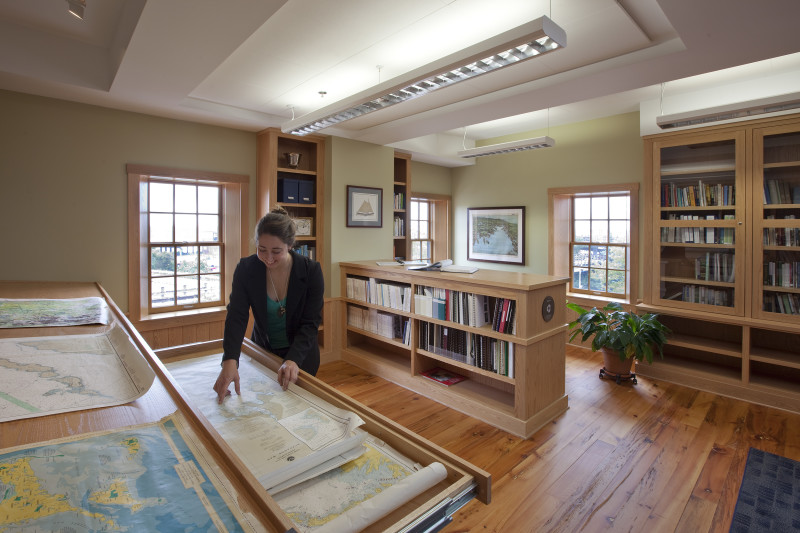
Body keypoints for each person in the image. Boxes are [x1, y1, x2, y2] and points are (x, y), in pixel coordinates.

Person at [213, 207, 323, 402]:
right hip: (264, 352)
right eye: (261, 250)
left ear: (289, 245)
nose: (269, 258)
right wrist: (230, 359)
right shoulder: (246, 269)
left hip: (301, 356)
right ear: (256, 243)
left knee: (297, 408)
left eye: (276, 251)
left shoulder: (311, 271)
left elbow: (310, 323)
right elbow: (237, 316)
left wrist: (293, 360)